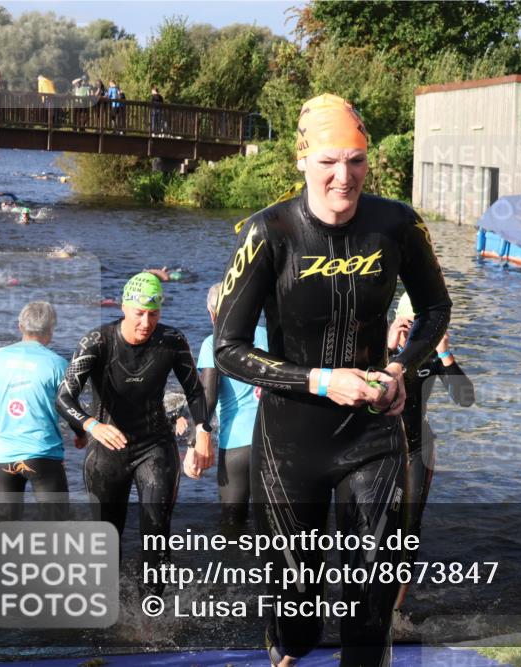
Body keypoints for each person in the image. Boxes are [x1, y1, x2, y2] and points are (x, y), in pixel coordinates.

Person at [213, 93, 451, 667]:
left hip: (374, 434)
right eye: (328, 162)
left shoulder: (397, 224)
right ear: (302, 161)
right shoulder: (270, 232)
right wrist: (319, 380)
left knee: (371, 601)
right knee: (297, 612)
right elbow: (228, 348)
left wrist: (399, 369)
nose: (343, 177)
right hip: (291, 442)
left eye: (356, 160)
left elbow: (436, 309)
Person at [56, 272, 209, 594]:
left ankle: (150, 611)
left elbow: (195, 392)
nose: (146, 322)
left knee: (157, 528)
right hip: (107, 449)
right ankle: (106, 604)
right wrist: (90, 425)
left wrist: (203, 431)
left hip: (155, 446)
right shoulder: (98, 340)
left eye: (153, 314)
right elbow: (63, 397)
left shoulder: (172, 340)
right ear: (125, 307)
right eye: (139, 313)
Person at [386, 292, 474, 610]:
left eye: (424, 327)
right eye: (411, 324)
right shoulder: (381, 347)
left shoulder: (430, 354)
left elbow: (465, 398)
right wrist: (387, 346)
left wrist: (445, 353)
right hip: (379, 449)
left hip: (417, 448)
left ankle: (394, 612)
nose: (414, 334)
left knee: (408, 528)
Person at [0, 302, 77, 521]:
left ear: (20, 327)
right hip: (43, 455)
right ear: (51, 330)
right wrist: (81, 434)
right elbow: (70, 408)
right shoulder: (58, 364)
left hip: (5, 456)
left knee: (6, 526)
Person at [187, 283, 268, 525]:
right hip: (274, 441)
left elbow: (208, 397)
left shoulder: (213, 343)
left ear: (213, 315)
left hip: (237, 445)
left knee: (233, 528)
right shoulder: (269, 335)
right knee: (277, 527)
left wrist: (196, 442)